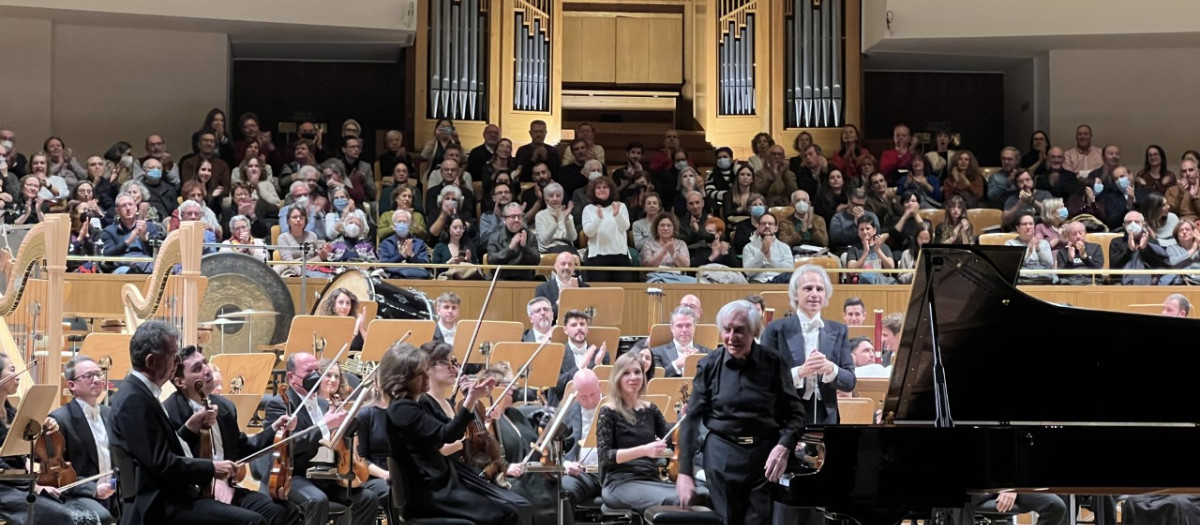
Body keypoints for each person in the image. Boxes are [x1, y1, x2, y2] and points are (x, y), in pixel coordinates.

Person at [108, 321, 264, 524]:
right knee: (252, 522)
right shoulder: (134, 400)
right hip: (156, 507)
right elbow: (161, 464)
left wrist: (190, 429)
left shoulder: (142, 393)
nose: (178, 360)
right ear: (151, 361)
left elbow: (159, 450)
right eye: (173, 354)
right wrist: (211, 468)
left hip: (170, 499)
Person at [675, 300, 807, 525]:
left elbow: (796, 413)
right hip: (722, 456)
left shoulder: (774, 363)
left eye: (739, 330)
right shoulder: (708, 365)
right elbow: (691, 419)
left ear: (755, 331)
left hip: (764, 458)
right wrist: (684, 472)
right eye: (727, 329)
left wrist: (784, 445)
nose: (731, 337)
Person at [379, 342, 533, 525]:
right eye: (420, 372)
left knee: (511, 509)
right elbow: (447, 434)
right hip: (428, 492)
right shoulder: (402, 409)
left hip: (440, 483)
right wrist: (470, 399)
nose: (425, 375)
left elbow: (452, 429)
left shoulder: (411, 406)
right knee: (503, 513)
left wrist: (473, 403)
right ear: (405, 378)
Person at [162, 346, 293, 525]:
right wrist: (212, 477)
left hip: (228, 487)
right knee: (252, 521)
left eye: (205, 363)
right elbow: (175, 462)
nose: (207, 370)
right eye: (197, 368)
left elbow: (242, 449)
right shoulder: (169, 412)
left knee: (283, 512)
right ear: (180, 382)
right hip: (194, 495)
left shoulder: (225, 407)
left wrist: (274, 429)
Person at [262, 352, 377, 525]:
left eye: (317, 370)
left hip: (326, 475)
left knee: (368, 498)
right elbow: (288, 446)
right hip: (294, 475)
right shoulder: (280, 405)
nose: (316, 375)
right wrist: (324, 425)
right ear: (292, 377)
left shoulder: (324, 404)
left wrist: (349, 422)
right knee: (317, 500)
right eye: (309, 371)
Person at [761, 266, 856, 424]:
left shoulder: (839, 330)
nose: (814, 294)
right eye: (808, 288)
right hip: (786, 415)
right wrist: (801, 372)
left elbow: (850, 382)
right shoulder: (775, 329)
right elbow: (764, 380)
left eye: (820, 289)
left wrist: (831, 369)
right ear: (795, 294)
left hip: (826, 417)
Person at [596, 352, 681, 512]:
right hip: (620, 483)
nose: (633, 377)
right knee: (674, 500)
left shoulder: (650, 409)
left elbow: (672, 439)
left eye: (637, 372)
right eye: (626, 373)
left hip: (650, 478)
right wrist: (644, 450)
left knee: (701, 493)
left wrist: (684, 416)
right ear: (617, 378)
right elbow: (605, 456)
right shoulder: (608, 411)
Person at [46, 355, 116, 524]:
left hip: (114, 493)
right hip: (79, 495)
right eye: (88, 376)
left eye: (98, 374)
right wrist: (93, 490)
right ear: (72, 385)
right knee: (103, 517)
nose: (97, 380)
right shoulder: (60, 419)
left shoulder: (110, 413)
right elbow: (56, 474)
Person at [560, 368, 604, 511]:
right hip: (582, 474)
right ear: (575, 394)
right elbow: (548, 448)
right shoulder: (566, 411)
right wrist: (565, 464)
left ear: (600, 387)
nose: (590, 400)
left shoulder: (616, 407)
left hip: (613, 473)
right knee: (563, 492)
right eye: (583, 397)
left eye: (593, 394)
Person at [552, 310, 610, 405]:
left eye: (582, 324)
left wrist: (598, 366)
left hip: (594, 406)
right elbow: (557, 386)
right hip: (565, 407)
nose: (579, 328)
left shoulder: (601, 354)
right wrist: (580, 367)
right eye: (574, 325)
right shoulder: (556, 353)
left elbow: (605, 387)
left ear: (587, 328)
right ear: (565, 330)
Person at [581, 176, 632, 282]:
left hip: (620, 255)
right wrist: (598, 218)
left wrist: (617, 215)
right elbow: (588, 233)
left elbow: (625, 227)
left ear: (611, 190)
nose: (602, 190)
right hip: (597, 257)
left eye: (605, 187)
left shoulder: (620, 206)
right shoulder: (588, 209)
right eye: (598, 187)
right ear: (594, 191)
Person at [649, 306, 712, 377]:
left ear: (694, 326)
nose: (684, 330)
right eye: (679, 326)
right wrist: (677, 364)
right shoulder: (656, 353)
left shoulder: (708, 354)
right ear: (672, 328)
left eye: (688, 325)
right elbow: (655, 379)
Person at [487, 201, 541, 280]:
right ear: (504, 220)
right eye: (513, 217)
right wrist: (510, 248)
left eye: (519, 216)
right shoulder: (495, 237)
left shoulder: (530, 236)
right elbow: (491, 260)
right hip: (501, 279)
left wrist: (524, 246)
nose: (516, 220)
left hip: (525, 280)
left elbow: (536, 261)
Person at [742, 212, 793, 284]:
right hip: (757, 282)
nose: (767, 226)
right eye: (763, 224)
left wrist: (769, 259)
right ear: (758, 227)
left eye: (770, 224)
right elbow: (748, 272)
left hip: (779, 281)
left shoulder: (785, 247)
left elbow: (788, 269)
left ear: (776, 228)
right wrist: (762, 252)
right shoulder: (748, 247)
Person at [535, 251, 588, 320]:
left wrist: (577, 295)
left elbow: (590, 315)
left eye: (570, 264)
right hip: (553, 329)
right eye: (563, 264)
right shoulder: (542, 289)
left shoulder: (585, 287)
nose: (566, 267)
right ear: (555, 266)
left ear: (574, 268)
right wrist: (560, 302)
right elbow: (541, 317)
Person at [845, 215, 896, 284]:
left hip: (881, 284)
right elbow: (851, 271)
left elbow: (891, 267)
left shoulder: (884, 247)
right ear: (858, 232)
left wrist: (878, 251)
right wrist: (865, 252)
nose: (865, 232)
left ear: (874, 230)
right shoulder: (853, 249)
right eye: (861, 229)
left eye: (867, 228)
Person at [1006, 212, 1055, 284]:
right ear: (1017, 228)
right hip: (1022, 279)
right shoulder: (1011, 244)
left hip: (1042, 279)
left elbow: (1049, 263)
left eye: (1031, 224)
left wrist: (1038, 249)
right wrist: (1029, 250)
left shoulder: (1043, 243)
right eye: (1024, 224)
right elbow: (1014, 266)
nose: (1028, 227)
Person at [534, 182, 578, 254]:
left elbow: (573, 238)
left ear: (562, 198)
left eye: (558, 196)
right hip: (548, 251)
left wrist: (567, 220)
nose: (555, 199)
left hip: (567, 249)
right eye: (551, 196)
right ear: (546, 199)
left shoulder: (567, 215)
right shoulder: (540, 215)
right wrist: (555, 222)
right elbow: (544, 241)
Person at [1055, 220, 1103, 285]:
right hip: (1070, 283)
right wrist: (1070, 260)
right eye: (1074, 234)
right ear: (1068, 236)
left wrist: (1085, 257)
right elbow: (1061, 275)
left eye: (1081, 233)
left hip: (1090, 282)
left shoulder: (1096, 248)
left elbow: (1098, 272)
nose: (1078, 236)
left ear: (1085, 233)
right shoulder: (1062, 252)